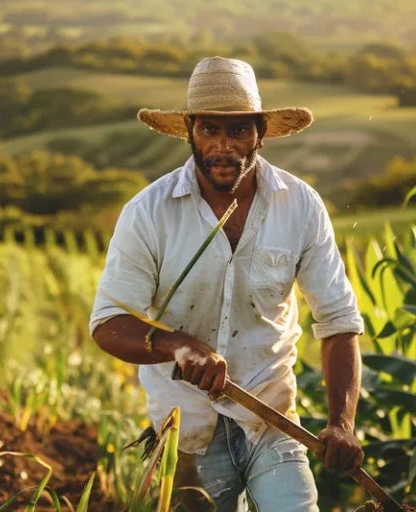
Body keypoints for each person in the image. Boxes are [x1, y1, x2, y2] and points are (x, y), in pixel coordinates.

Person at [89, 56, 365, 511]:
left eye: (238, 130)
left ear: (260, 131)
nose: (223, 145)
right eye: (210, 129)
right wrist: (176, 344)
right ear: (190, 130)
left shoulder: (300, 206)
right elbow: (107, 322)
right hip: (186, 429)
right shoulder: (149, 212)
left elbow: (337, 321)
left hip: (271, 417)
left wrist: (342, 423)